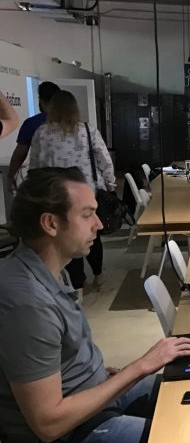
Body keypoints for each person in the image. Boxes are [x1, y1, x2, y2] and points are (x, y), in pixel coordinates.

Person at [0, 167, 190, 443]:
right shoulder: (26, 303)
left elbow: (65, 357)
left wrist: (96, 373)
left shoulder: (51, 268)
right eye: (87, 215)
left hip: (92, 398)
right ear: (51, 223)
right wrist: (141, 366)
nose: (100, 224)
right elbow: (48, 424)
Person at [29, 90, 116, 296]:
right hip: (86, 191)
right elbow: (105, 160)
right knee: (92, 235)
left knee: (65, 238)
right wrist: (110, 184)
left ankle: (77, 285)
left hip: (55, 195)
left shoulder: (42, 133)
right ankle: (99, 275)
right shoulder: (87, 130)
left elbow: (35, 166)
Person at [8, 81, 60, 190]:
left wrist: (11, 176)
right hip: (71, 180)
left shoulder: (32, 123)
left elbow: (20, 153)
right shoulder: (71, 121)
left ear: (41, 100)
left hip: (43, 182)